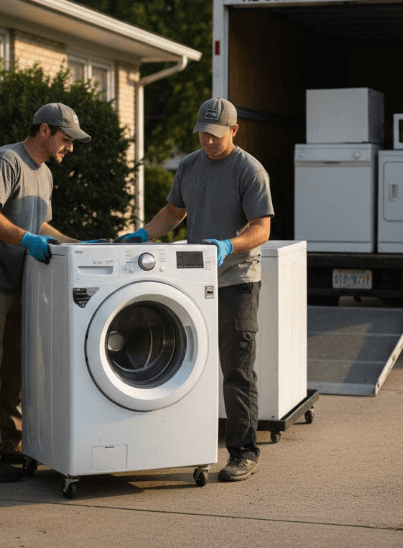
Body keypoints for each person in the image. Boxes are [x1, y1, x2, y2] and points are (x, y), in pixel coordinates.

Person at [116, 97, 274, 482]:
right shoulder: (189, 165)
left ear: (234, 131)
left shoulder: (249, 170)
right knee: (187, 363)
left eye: (216, 135)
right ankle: (184, 444)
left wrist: (228, 244)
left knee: (236, 367)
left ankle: (243, 451)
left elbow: (262, 229)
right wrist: (143, 234)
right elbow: (174, 212)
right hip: (194, 282)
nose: (207, 141)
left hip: (237, 281)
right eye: (203, 133)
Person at [0, 103, 91, 482]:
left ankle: (8, 445)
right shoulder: (5, 160)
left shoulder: (43, 173)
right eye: (66, 139)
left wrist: (77, 245)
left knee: (12, 371)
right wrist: (26, 239)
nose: (70, 148)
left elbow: (39, 224)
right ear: (44, 131)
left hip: (17, 285)